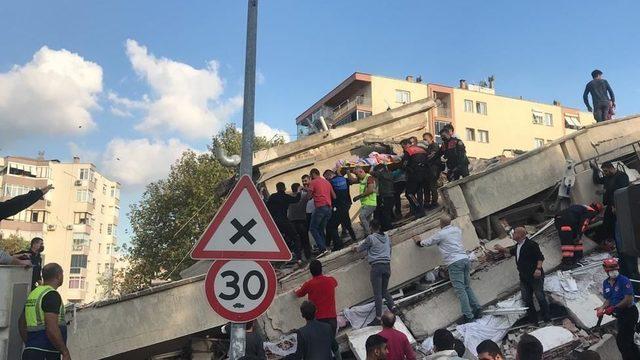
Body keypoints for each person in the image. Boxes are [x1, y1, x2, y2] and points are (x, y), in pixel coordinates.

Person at [414, 215, 481, 324]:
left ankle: (468, 316)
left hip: (455, 263)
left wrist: (418, 242)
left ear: (441, 223)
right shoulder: (457, 230)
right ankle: (477, 308)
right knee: (467, 286)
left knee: (460, 290)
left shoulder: (441, 234)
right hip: (465, 259)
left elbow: (427, 242)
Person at [495, 227, 551, 325]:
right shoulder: (517, 246)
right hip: (524, 277)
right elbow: (510, 251)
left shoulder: (531, 245)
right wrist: (501, 249)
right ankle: (534, 321)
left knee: (540, 297)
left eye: (515, 232)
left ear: (520, 235)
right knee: (527, 299)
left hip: (534, 276)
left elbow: (540, 257)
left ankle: (547, 318)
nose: (512, 234)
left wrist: (538, 269)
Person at [19, 263, 70, 360]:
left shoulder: (34, 294)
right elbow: (51, 327)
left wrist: (31, 346)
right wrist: (65, 352)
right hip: (46, 353)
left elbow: (21, 324)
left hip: (31, 352)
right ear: (59, 276)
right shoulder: (51, 295)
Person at [352, 219, 395, 326]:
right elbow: (390, 250)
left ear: (371, 227)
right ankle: (393, 308)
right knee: (384, 290)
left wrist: (354, 248)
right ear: (379, 227)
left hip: (376, 268)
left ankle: (378, 318)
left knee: (378, 294)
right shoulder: (387, 237)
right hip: (387, 266)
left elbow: (359, 249)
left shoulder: (370, 238)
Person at [295, 260, 340, 360]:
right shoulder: (331, 280)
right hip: (332, 320)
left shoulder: (309, 284)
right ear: (321, 269)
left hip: (318, 320)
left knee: (318, 349)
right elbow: (335, 283)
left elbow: (298, 294)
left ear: (311, 272)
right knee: (331, 345)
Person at [596, 258, 640, 360]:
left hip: (630, 312)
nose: (613, 271)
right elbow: (608, 299)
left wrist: (613, 308)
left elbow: (628, 299)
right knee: (628, 340)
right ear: (605, 270)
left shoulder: (624, 280)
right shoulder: (606, 283)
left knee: (622, 341)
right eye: (610, 269)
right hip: (620, 315)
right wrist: (602, 308)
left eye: (614, 268)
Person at [553, 203, 602, 269]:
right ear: (596, 211)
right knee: (568, 243)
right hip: (567, 222)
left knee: (574, 239)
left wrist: (578, 235)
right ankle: (568, 263)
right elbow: (584, 223)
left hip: (560, 220)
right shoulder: (590, 212)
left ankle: (576, 258)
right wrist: (579, 235)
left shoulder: (581, 207)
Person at [266, 182, 303, 263]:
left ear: (276, 189)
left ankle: (284, 258)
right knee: (295, 237)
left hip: (274, 223)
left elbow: (266, 207)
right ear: (284, 188)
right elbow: (296, 199)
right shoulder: (285, 196)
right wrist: (299, 191)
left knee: (282, 240)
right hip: (284, 221)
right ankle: (298, 258)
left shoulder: (272, 197)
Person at [324, 170, 356, 250]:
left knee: (331, 226)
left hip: (338, 206)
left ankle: (337, 244)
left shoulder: (330, 183)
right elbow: (351, 181)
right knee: (347, 222)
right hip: (347, 204)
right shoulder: (343, 179)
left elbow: (332, 195)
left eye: (326, 178)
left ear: (329, 176)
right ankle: (354, 238)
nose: (326, 179)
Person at [308, 169, 336, 255]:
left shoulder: (313, 182)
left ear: (313, 174)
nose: (310, 177)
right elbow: (334, 196)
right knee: (320, 229)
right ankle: (325, 247)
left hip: (320, 207)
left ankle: (323, 249)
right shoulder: (327, 182)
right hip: (328, 208)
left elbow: (309, 196)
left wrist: (308, 191)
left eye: (310, 175)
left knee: (313, 228)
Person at [400, 139, 429, 218]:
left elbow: (404, 164)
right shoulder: (421, 150)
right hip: (424, 174)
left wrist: (401, 167)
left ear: (406, 145)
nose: (403, 149)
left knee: (409, 193)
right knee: (418, 192)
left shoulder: (408, 151)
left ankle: (419, 210)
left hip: (414, 175)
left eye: (403, 147)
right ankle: (420, 209)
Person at [289, 183, 313, 261]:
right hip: (301, 221)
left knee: (297, 241)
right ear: (299, 188)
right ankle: (308, 257)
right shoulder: (303, 196)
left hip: (291, 222)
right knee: (305, 240)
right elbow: (311, 194)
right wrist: (304, 189)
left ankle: (299, 259)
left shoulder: (289, 197)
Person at [350, 167, 377, 236]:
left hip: (370, 202)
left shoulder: (369, 178)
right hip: (365, 203)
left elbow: (370, 190)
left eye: (356, 174)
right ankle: (369, 234)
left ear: (361, 171)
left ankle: (368, 234)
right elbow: (352, 180)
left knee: (362, 216)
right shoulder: (362, 179)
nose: (356, 176)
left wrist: (358, 196)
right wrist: (347, 171)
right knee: (366, 221)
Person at [371, 164, 395, 232]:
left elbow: (371, 172)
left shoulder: (381, 174)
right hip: (391, 195)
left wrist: (372, 166)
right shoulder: (390, 173)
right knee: (387, 212)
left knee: (385, 213)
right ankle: (387, 226)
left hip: (385, 196)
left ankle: (387, 228)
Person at [423, 132, 441, 209]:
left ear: (431, 138)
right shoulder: (428, 147)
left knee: (432, 186)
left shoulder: (435, 146)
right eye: (423, 139)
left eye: (425, 139)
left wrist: (425, 158)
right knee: (426, 187)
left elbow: (431, 156)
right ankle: (427, 203)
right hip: (428, 169)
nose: (424, 141)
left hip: (433, 169)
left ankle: (434, 202)